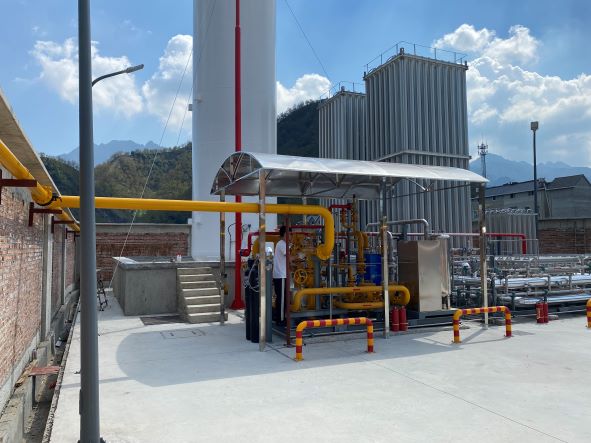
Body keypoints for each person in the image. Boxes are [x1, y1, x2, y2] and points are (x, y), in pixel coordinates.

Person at [272, 226, 287, 323]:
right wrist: (300, 256)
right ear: (285, 234)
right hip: (281, 275)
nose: (291, 237)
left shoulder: (282, 244)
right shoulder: (282, 244)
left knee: (282, 298)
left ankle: (280, 317)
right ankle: (280, 319)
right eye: (290, 234)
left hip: (281, 275)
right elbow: (289, 257)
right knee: (281, 299)